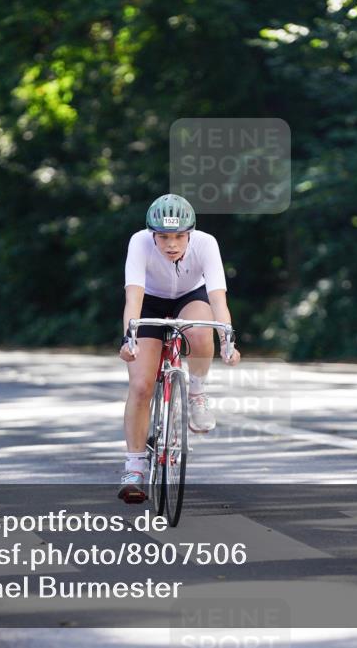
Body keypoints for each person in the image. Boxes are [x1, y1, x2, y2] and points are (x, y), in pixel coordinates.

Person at [116, 194, 240, 503]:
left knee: (200, 330)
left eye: (180, 236)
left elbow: (218, 301)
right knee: (142, 385)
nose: (172, 244)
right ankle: (134, 469)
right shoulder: (139, 243)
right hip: (151, 300)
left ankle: (196, 392)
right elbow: (133, 299)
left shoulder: (206, 244)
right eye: (164, 237)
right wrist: (128, 341)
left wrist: (228, 343)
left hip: (191, 296)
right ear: (152, 234)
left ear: (191, 234)